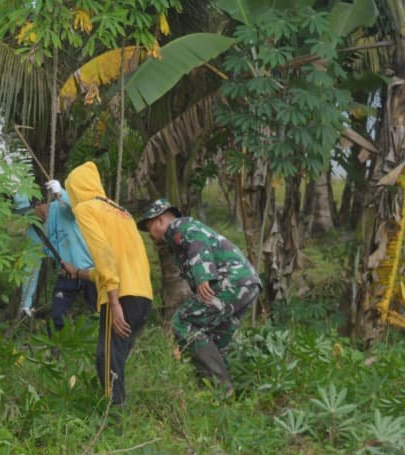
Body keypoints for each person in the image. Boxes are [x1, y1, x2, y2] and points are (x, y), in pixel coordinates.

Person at [137, 198, 261, 391]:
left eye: (149, 227)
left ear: (159, 220)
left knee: (182, 320)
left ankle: (221, 386)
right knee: (215, 338)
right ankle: (220, 393)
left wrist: (203, 276)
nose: (150, 235)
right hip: (246, 283)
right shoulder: (178, 235)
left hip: (231, 281)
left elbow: (197, 243)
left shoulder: (181, 226)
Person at [64, 162, 153, 406]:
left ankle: (111, 415)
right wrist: (78, 273)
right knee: (117, 358)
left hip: (120, 296)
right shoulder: (121, 212)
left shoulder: (85, 208)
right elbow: (117, 261)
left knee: (107, 359)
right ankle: (117, 410)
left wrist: (114, 303)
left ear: (76, 189)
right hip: (142, 294)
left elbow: (103, 255)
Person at [14, 182, 97, 330]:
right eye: (22, 215)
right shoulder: (33, 232)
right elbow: (31, 266)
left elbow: (78, 207)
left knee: (100, 312)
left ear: (39, 204)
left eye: (28, 212)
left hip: (91, 271)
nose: (26, 218)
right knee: (56, 318)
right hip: (66, 274)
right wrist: (26, 303)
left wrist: (61, 192)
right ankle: (57, 344)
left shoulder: (61, 208)